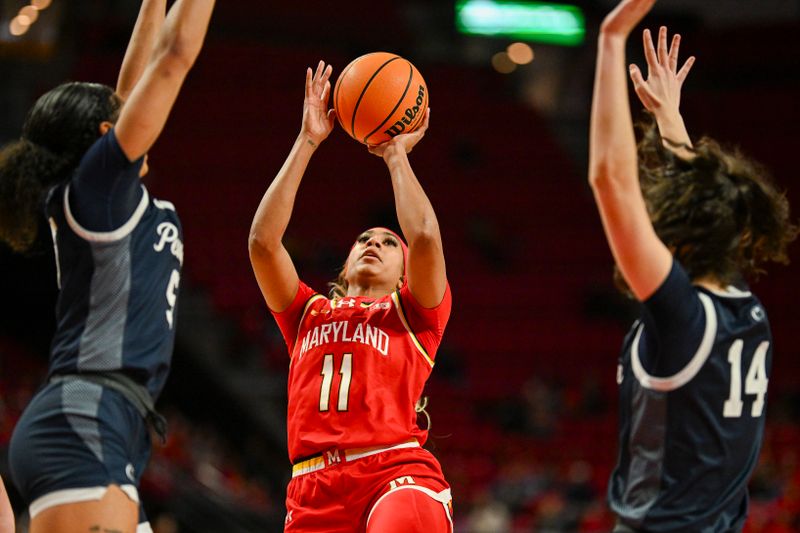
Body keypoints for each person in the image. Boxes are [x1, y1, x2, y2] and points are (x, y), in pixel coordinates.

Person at [1, 1, 215, 531]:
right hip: (83, 420)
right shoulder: (95, 192)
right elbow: (172, 58)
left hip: (102, 423)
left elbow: (134, 84)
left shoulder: (102, 198)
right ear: (103, 136)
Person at [589, 1, 797, 531]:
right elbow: (702, 201)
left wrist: (612, 40)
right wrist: (668, 117)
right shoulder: (741, 304)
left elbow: (611, 181)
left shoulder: (683, 316)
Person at [249, 61, 454, 532]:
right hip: (311, 488)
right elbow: (262, 243)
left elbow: (423, 236)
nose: (374, 244)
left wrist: (396, 155)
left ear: (406, 272)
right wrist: (307, 141)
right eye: (365, 239)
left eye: (386, 242)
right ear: (345, 264)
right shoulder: (307, 314)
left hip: (394, 473)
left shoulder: (414, 314)